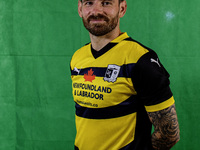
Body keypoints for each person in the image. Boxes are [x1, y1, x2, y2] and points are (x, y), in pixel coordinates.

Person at [70, 0, 180, 149]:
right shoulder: (78, 57)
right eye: (89, 3)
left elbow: (169, 133)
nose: (96, 11)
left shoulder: (141, 59)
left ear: (122, 9)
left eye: (106, 3)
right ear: (80, 9)